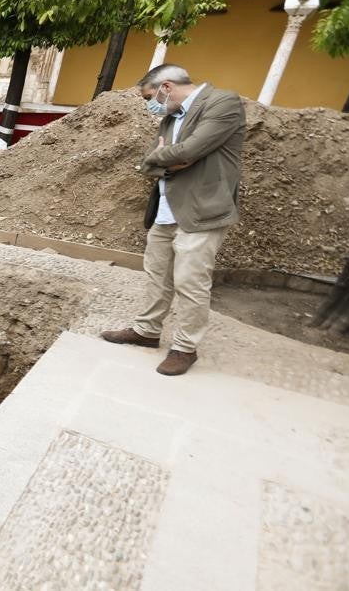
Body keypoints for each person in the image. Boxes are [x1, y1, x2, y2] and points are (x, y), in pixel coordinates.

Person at [101, 64, 245, 376]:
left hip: (202, 211)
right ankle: (147, 331)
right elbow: (148, 162)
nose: (150, 106)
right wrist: (169, 160)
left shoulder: (223, 103)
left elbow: (192, 149)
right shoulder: (170, 118)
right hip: (165, 210)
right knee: (157, 276)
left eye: (150, 97)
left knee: (190, 281)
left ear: (166, 87)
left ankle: (184, 347)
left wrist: (168, 156)